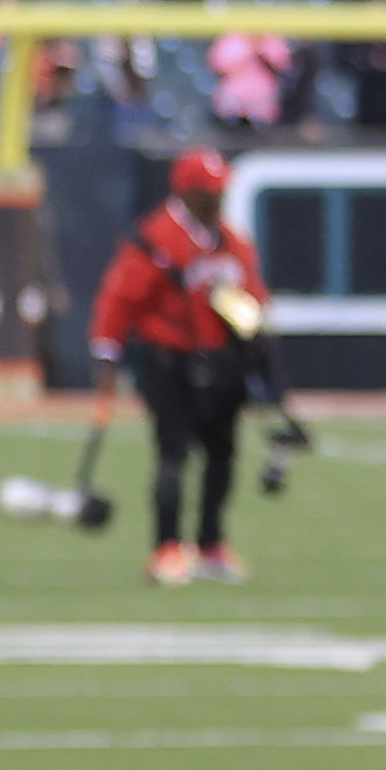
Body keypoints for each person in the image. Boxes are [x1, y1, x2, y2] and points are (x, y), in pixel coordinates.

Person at [87, 145, 268, 587]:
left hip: (222, 361)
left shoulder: (231, 241)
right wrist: (108, 349)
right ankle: (167, 546)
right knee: (173, 454)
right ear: (187, 193)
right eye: (210, 192)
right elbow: (120, 297)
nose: (218, 200)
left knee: (222, 455)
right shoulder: (154, 238)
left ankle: (210, 544)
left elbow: (254, 298)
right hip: (169, 361)